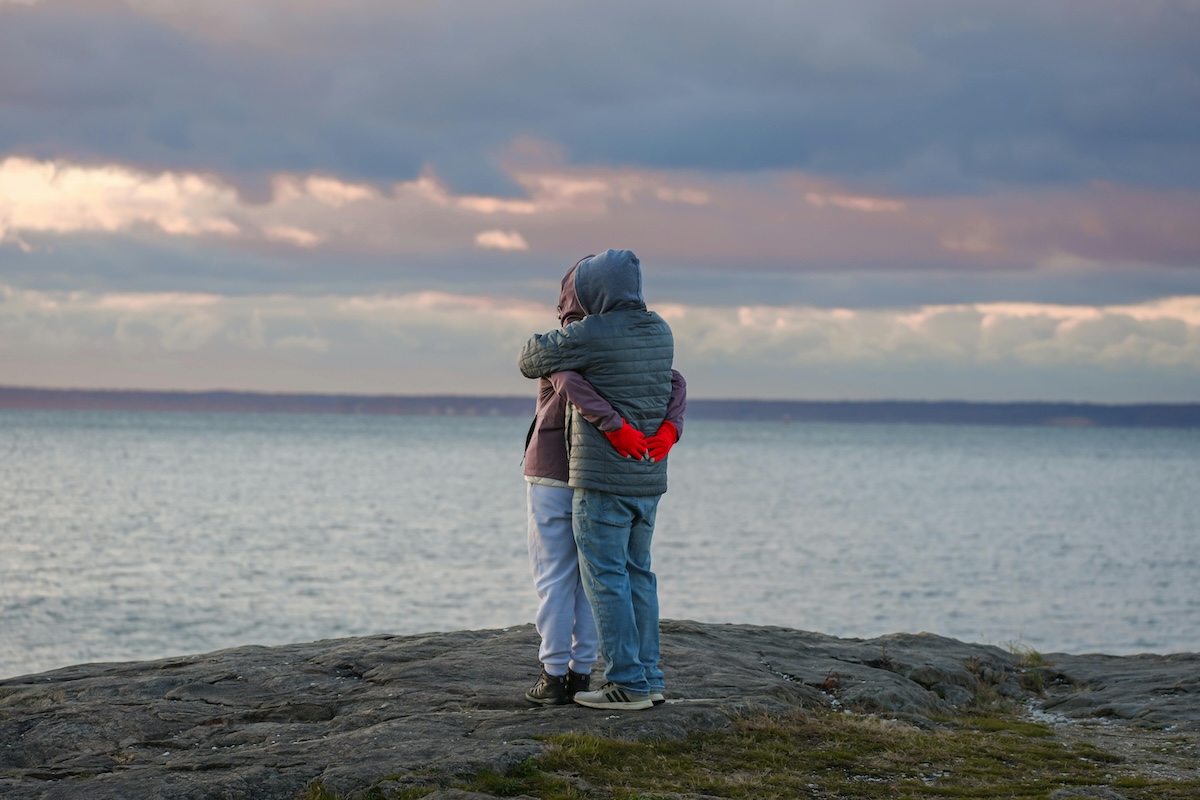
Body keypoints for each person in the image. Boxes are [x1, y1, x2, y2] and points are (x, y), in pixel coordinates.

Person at [520, 249, 682, 711]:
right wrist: (670, 430)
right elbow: (676, 381)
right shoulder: (660, 330)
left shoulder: (592, 333)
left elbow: (532, 357)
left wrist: (611, 424)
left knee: (600, 579)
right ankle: (649, 678)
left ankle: (623, 682)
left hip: (598, 476)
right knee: (639, 576)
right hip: (648, 478)